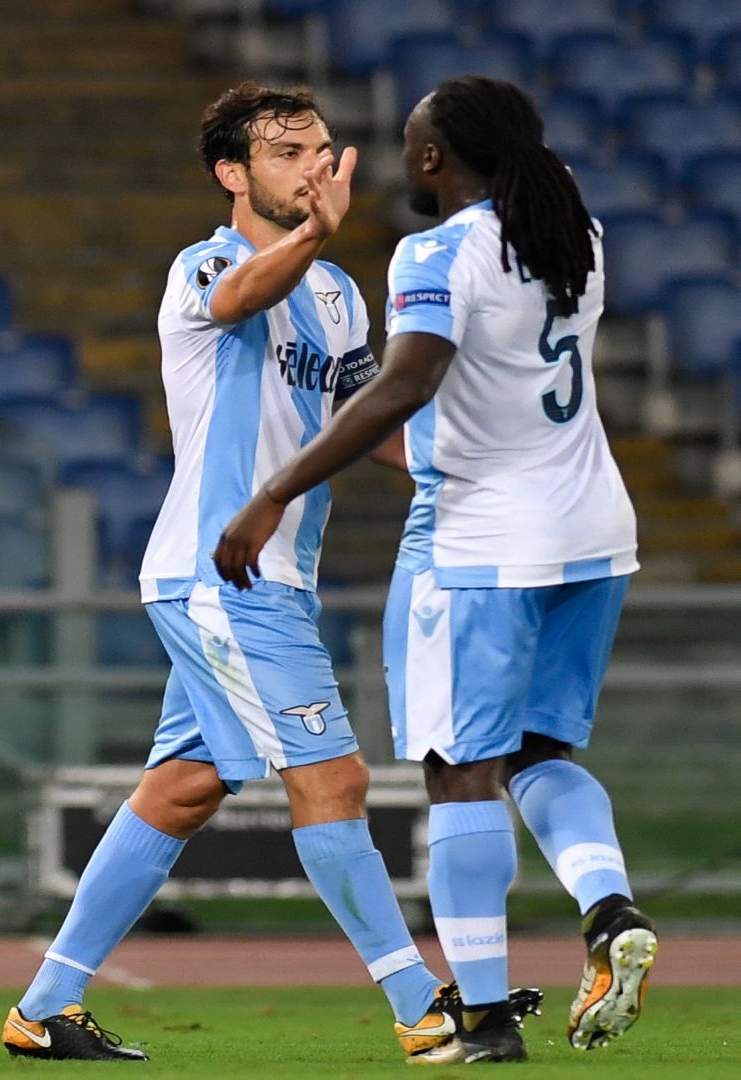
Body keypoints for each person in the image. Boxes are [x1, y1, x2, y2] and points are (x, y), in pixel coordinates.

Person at [4, 82, 488, 1064]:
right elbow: (240, 299)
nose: (313, 166)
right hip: (221, 575)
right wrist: (312, 233)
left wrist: (462, 470)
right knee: (334, 777)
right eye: (287, 153)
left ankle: (44, 1009)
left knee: (184, 788)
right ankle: (421, 1007)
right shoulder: (207, 265)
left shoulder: (338, 293)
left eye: (320, 149)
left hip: (274, 577)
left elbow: (365, 422)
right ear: (233, 173)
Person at [215, 75, 653, 1065]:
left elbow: (406, 382)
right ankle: (608, 904)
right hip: (593, 531)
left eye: (412, 140)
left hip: (481, 538)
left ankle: (488, 1021)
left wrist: (275, 489)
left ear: (431, 157)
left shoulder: (437, 251)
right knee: (539, 753)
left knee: (458, 772)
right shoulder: (574, 233)